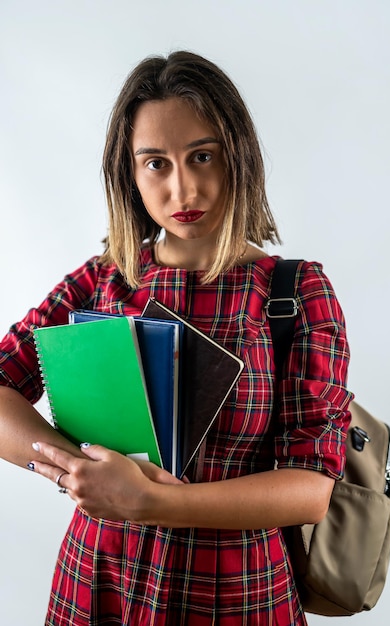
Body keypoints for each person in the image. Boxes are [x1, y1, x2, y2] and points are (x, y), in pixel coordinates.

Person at [0, 51, 353, 625]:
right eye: (156, 164)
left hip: (239, 594)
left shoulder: (294, 293)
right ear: (130, 175)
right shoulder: (100, 281)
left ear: (237, 156)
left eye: (202, 156)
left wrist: (154, 501)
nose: (183, 188)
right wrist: (83, 473)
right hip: (99, 584)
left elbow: (312, 488)